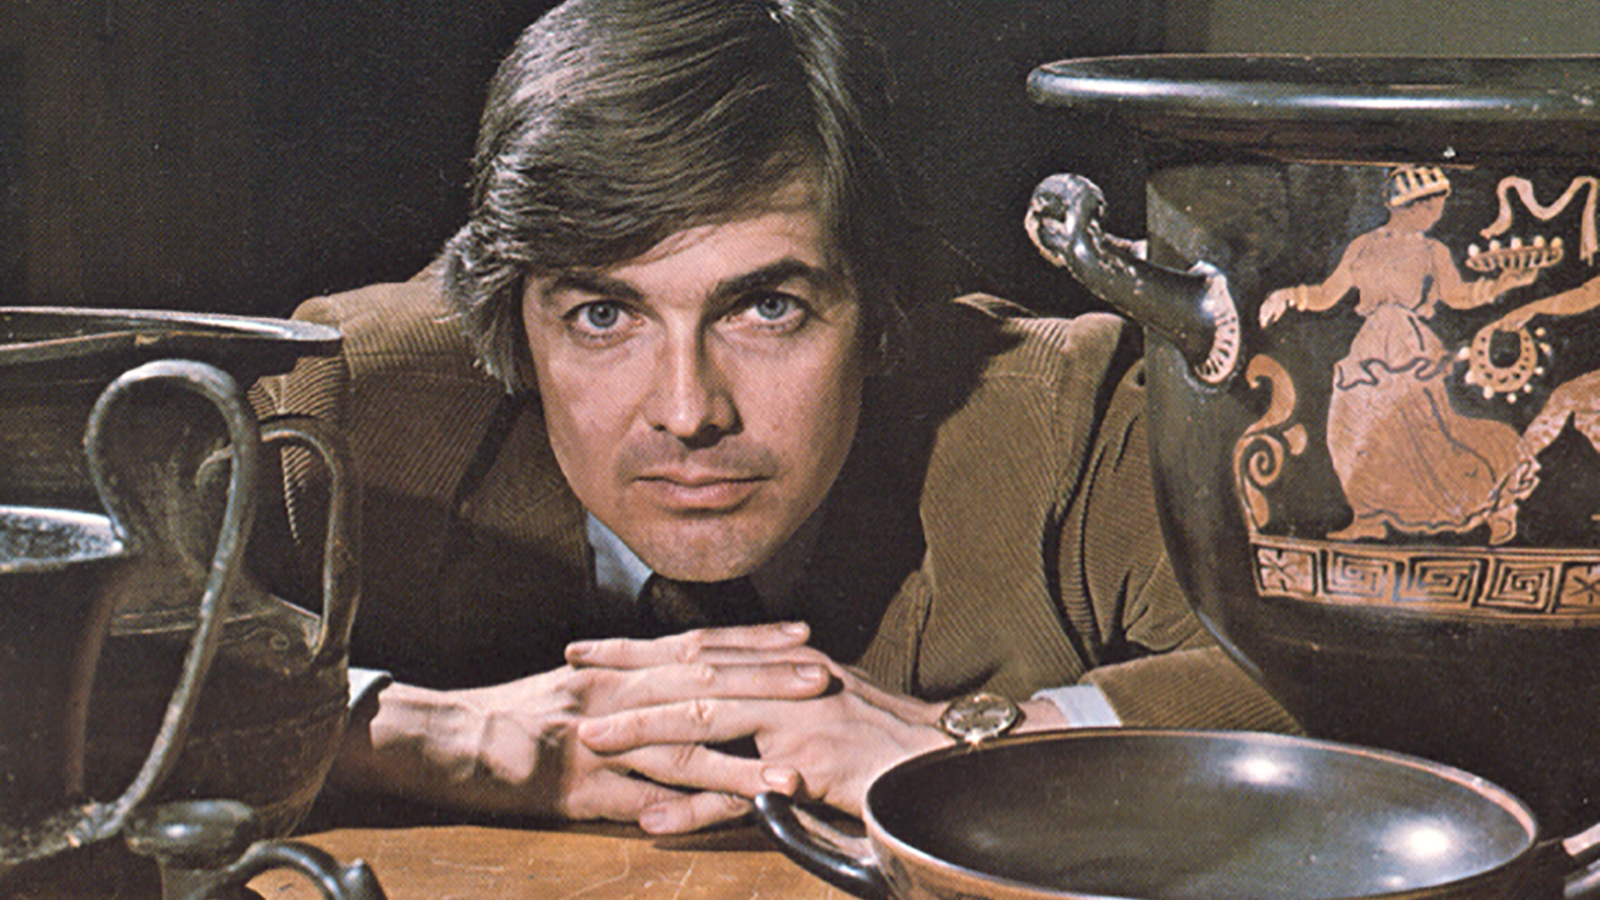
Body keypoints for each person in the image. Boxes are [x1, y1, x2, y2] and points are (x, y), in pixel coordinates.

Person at [251, 0, 1296, 836]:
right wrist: (418, 731)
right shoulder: (342, 402)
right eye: (604, 316)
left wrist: (977, 746)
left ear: (875, 308)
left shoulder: (1060, 416)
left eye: (765, 309)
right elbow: (152, 670)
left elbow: (1332, 687)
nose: (687, 412)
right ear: (513, 324)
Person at [1259, 165, 1538, 543]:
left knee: (1430, 439)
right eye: (1432, 206)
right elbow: (1327, 294)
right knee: (1350, 431)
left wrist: (1500, 285)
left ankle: (1497, 507)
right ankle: (1368, 516)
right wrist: (1287, 296)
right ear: (1409, 205)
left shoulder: (1432, 251)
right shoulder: (1363, 245)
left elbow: (1458, 295)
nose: (1437, 214)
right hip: (1369, 351)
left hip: (1409, 349)